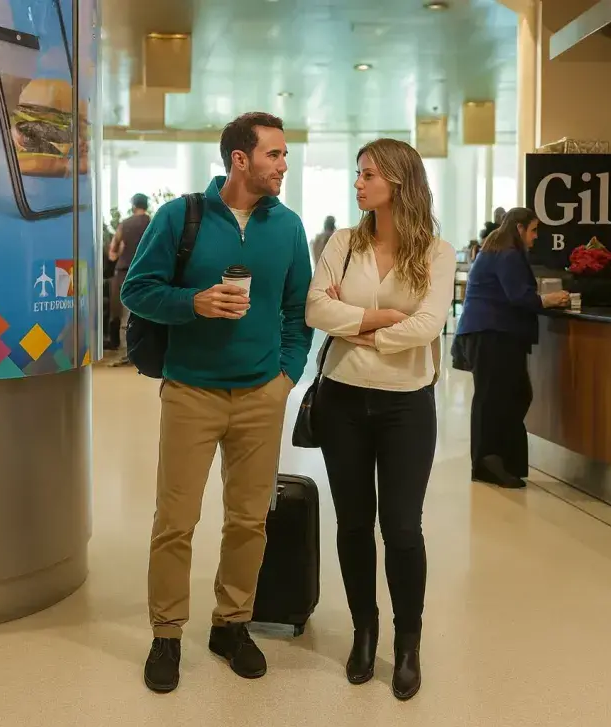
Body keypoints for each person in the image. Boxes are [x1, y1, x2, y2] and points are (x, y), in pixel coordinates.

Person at [121, 111, 313, 694]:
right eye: (274, 154)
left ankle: (231, 624)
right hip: (191, 392)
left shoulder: (288, 226)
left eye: (284, 155)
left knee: (249, 519)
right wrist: (193, 303)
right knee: (175, 521)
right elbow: (138, 289)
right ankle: (167, 633)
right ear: (240, 159)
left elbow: (297, 311)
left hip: (261, 394)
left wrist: (286, 376)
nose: (284, 164)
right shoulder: (180, 217)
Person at [305, 138, 456, 701]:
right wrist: (384, 318)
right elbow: (315, 307)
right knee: (351, 523)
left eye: (368, 174)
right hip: (342, 398)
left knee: (401, 527)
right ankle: (363, 631)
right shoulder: (343, 242)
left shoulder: (436, 252)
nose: (358, 182)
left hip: (405, 405)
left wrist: (359, 329)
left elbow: (430, 325)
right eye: (357, 173)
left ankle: (408, 641)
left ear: (398, 180)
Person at [453, 207, 569, 489]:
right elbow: (519, 296)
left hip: (487, 333)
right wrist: (549, 299)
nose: (535, 237)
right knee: (496, 399)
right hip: (493, 334)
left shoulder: (495, 248)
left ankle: (498, 461)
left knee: (508, 396)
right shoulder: (508, 254)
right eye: (533, 230)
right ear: (519, 228)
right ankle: (489, 462)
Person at [106, 193, 151, 356]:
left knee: (124, 313)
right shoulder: (152, 223)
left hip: (124, 272)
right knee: (146, 313)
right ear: (146, 206)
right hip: (147, 272)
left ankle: (126, 353)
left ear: (133, 206)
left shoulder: (124, 225)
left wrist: (122, 250)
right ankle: (145, 352)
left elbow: (112, 253)